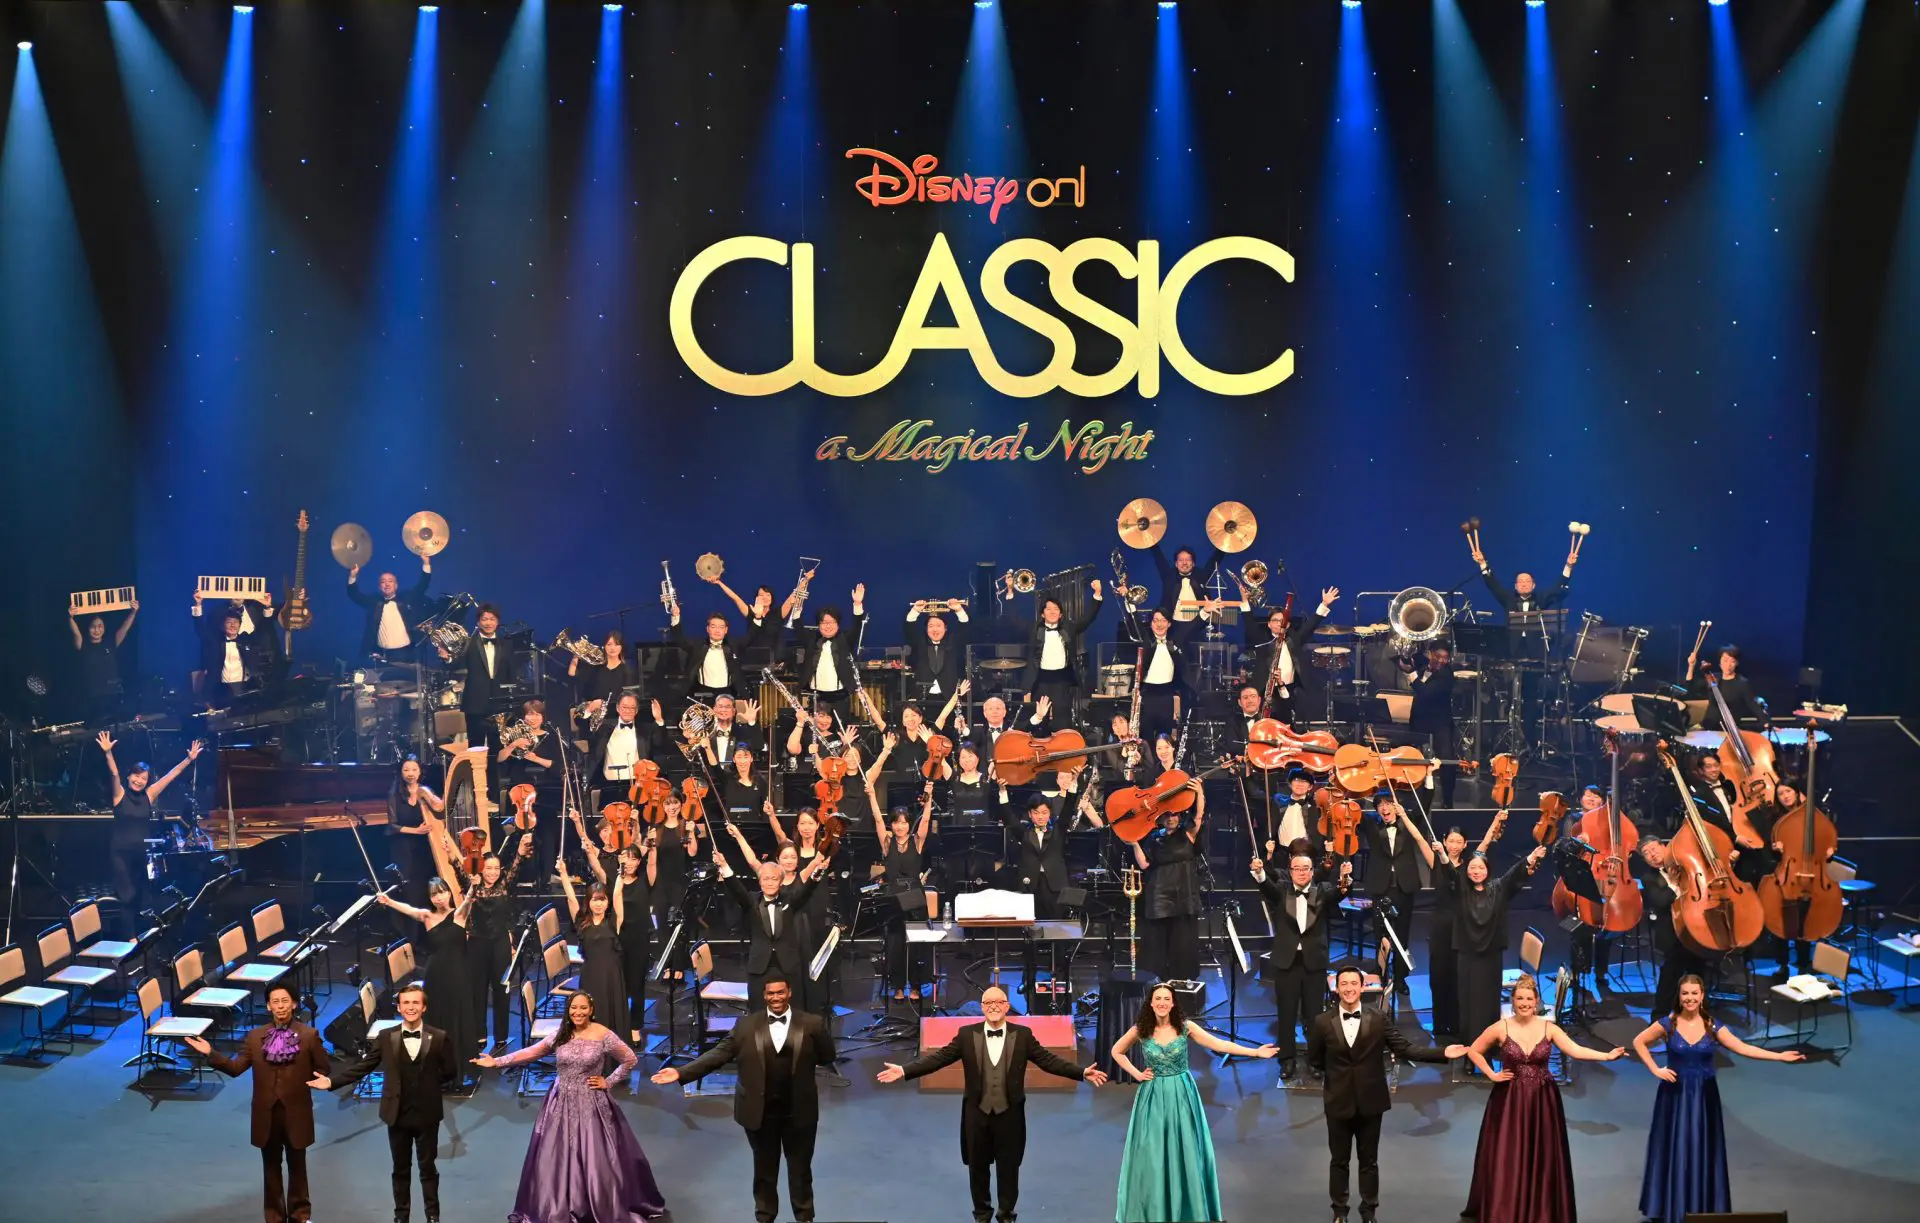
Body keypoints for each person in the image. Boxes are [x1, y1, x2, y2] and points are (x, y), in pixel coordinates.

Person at [876, 984, 1108, 1223]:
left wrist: (1081, 1072)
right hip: (976, 1115)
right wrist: (905, 1070)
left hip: (1010, 1115)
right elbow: (939, 1059)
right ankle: (982, 1215)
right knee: (977, 1170)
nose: (994, 1007)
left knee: (1009, 1170)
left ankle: (1006, 1215)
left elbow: (1048, 1061)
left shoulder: (1023, 1035)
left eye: (999, 1002)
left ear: (1007, 1006)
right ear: (982, 1007)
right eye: (988, 1003)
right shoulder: (966, 1035)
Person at [652, 977, 837, 1223]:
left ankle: (804, 1218)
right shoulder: (746, 1025)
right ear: (764, 995)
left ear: (789, 993)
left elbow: (827, 1055)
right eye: (771, 993)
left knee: (801, 1170)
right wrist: (682, 1072)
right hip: (759, 1111)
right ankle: (765, 1217)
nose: (776, 998)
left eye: (780, 992)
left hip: (799, 1111)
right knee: (764, 1171)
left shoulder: (812, 1023)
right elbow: (719, 1054)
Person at [475, 991, 667, 1223]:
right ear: (568, 1010)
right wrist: (497, 1061)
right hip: (560, 1100)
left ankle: (596, 1203)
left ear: (591, 1010)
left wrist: (609, 1081)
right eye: (574, 1008)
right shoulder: (561, 1034)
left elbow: (629, 1059)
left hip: (591, 1102)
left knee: (595, 1156)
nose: (578, 1012)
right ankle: (560, 1204)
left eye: (583, 1008)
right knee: (556, 1155)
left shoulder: (602, 1034)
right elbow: (532, 1052)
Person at [1632, 974, 1806, 1222]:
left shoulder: (1712, 1026)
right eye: (1685, 993)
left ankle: (1699, 1207)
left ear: (1702, 995)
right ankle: (1674, 1207)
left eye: (1694, 993)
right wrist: (1655, 1069)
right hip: (1675, 1097)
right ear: (1679, 996)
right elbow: (1639, 1041)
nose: (1690, 998)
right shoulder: (1668, 1024)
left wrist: (1779, 1056)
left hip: (1704, 1098)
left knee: (1701, 1149)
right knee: (1676, 1148)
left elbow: (1742, 1048)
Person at [1458, 974, 1627, 1222]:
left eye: (1529, 999)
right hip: (1509, 1100)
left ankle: (1539, 1208)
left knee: (1542, 1154)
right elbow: (1474, 1050)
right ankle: (1507, 1207)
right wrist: (1491, 1075)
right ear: (1513, 1000)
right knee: (1508, 1152)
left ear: (1536, 1001)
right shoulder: (1501, 1027)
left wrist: (1606, 1056)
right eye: (1520, 999)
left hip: (1542, 1100)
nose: (1524, 1003)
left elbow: (1575, 1050)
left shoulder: (1549, 1028)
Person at [1308, 966, 1466, 1223]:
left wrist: (1442, 1053)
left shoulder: (1379, 1018)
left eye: (1354, 983)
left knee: (1369, 1161)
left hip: (1371, 1100)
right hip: (1338, 1101)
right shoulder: (1322, 1022)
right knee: (1339, 1160)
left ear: (1362, 987)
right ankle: (1340, 1212)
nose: (1349, 989)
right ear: (1336, 988)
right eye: (1343, 984)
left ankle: (1369, 1212)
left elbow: (1405, 1049)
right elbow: (1315, 1060)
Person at [1110, 982, 1279, 1223]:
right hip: (1153, 1095)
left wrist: (1255, 1052)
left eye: (1166, 999)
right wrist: (1136, 1074)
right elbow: (1117, 1051)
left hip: (1181, 1093)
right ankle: (1156, 1210)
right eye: (1158, 999)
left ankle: (1187, 1209)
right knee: (1153, 1152)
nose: (1162, 1003)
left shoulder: (1185, 1027)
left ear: (1173, 1003)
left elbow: (1219, 1045)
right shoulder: (1141, 1029)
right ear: (1151, 1003)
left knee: (1185, 1148)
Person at [314, 983, 460, 1223]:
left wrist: (429, 1087)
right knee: (400, 1169)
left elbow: (450, 1071)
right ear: (399, 1007)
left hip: (427, 1114)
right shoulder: (385, 1037)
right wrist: (332, 1082)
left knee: (428, 1168)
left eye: (415, 1003)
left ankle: (433, 1216)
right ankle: (401, 1217)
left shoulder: (439, 1037)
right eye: (406, 1003)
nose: (410, 1007)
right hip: (397, 1113)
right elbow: (364, 1066)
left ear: (424, 1007)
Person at [184, 985, 330, 1223]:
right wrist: (211, 1053)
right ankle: (274, 1218)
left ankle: (301, 1217)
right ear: (269, 1006)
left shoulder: (309, 1035)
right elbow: (235, 1068)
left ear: (294, 1004)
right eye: (275, 1002)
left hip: (296, 1113)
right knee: (270, 1170)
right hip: (266, 1115)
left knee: (298, 1169)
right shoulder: (254, 1037)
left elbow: (323, 1068)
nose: (280, 1006)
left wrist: (317, 1080)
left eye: (285, 1001)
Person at [1251, 848, 1351, 1081]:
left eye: (1306, 868)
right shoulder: (1282, 889)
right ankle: (1287, 1059)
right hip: (1287, 962)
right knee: (1286, 1013)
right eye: (1297, 868)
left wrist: (1345, 877)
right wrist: (1259, 872)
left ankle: (1315, 1060)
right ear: (1290, 871)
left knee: (1314, 1015)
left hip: (1313, 962)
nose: (1301, 872)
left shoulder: (1322, 890)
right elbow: (1266, 886)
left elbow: (1340, 892)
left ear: (1312, 871)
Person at [1437, 844, 1548, 1044]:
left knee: (1488, 1000)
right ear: (1466, 870)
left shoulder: (1498, 888)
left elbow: (1513, 875)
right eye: (1472, 867)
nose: (1476, 871)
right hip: (1467, 955)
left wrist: (1531, 856)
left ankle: (1491, 1041)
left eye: (1481, 867)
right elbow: (1450, 874)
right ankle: (1471, 1043)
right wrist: (1442, 855)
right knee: (1468, 1001)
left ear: (1487, 870)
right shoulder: (1461, 889)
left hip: (1491, 955)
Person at [1411, 814, 1507, 1039]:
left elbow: (1486, 842)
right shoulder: (1436, 861)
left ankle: (1457, 1023)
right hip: (1440, 924)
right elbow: (1418, 838)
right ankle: (1440, 1023)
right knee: (1438, 974)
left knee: (1459, 975)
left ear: (1465, 845)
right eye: (1451, 840)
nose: (1454, 845)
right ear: (1444, 841)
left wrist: (1496, 820)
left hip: (1463, 924)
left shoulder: (1471, 866)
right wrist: (1404, 815)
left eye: (1459, 841)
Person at [96, 731, 201, 936]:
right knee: (127, 896)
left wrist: (189, 759)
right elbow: (114, 774)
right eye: (136, 776)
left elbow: (170, 776)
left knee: (141, 898)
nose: (139, 780)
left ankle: (142, 936)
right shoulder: (119, 795)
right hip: (120, 855)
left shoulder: (149, 795)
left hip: (139, 855)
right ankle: (129, 939)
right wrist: (108, 753)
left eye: (143, 778)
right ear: (129, 776)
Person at [376, 875, 480, 1082]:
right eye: (434, 895)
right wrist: (388, 901)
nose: (439, 898)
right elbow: (408, 909)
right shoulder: (427, 916)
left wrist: (473, 887)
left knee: (457, 1016)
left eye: (442, 892)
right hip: (435, 975)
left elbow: (468, 900)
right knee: (436, 1018)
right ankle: (437, 1068)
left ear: (449, 893)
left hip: (458, 974)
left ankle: (459, 1068)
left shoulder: (459, 914)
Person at [449, 834, 535, 1052]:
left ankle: (501, 1035)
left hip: (499, 944)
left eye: (496, 868)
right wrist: (449, 851)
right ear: (481, 868)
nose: (493, 872)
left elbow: (516, 865)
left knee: (501, 989)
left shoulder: (504, 884)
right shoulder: (472, 884)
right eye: (488, 868)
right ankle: (479, 1033)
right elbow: (458, 868)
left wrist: (521, 848)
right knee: (477, 990)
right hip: (477, 944)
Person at [714, 851, 823, 1005]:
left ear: (781, 882)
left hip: (788, 965)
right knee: (758, 1009)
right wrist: (724, 865)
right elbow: (736, 889)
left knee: (793, 1007)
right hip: (760, 965)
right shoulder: (752, 901)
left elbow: (807, 891)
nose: (770, 883)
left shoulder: (789, 900)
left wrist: (819, 870)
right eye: (766, 879)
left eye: (774, 879)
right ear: (760, 882)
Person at [1132, 780, 1206, 982]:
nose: (1171, 818)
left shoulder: (1187, 833)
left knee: (1183, 943)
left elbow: (1198, 816)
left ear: (1179, 816)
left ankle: (1182, 981)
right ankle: (1155, 982)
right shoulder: (1154, 838)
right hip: (1159, 896)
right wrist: (1134, 843)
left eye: (1174, 814)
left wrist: (1199, 792)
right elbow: (1144, 864)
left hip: (1184, 895)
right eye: (1167, 815)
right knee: (1156, 944)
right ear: (1161, 818)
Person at [1634, 837, 1710, 1017]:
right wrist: (1674, 884)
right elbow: (1661, 901)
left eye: (1654, 849)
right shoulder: (1648, 878)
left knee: (1698, 969)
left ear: (1665, 846)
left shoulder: (1686, 864)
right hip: (1672, 930)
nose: (1652, 855)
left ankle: (1698, 1012)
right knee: (1671, 973)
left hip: (1698, 925)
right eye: (1646, 854)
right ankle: (1659, 1016)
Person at [1008, 576, 1104, 714]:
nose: (1052, 612)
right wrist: (1010, 590)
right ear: (1042, 614)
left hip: (1062, 679)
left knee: (1062, 715)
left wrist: (1097, 594)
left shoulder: (1069, 627)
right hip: (1040, 678)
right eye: (1048, 609)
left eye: (1056, 609)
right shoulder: (1034, 628)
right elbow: (1015, 619)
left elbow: (1088, 618)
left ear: (1060, 614)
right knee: (1040, 716)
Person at [1240, 589, 1336, 724]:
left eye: (1282, 620)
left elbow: (1310, 626)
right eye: (1275, 620)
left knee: (1287, 723)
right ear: (1269, 624)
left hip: (1288, 690)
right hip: (1265, 690)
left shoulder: (1294, 639)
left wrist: (1324, 604)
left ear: (1288, 624)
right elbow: (1250, 625)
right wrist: (1245, 601)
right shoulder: (1262, 640)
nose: (1279, 623)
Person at [559, 855, 629, 1038]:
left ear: (607, 902)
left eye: (602, 900)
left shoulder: (614, 921)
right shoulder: (582, 923)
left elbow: (617, 894)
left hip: (612, 977)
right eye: (595, 900)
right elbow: (571, 898)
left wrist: (621, 874)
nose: (599, 904)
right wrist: (564, 874)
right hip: (590, 976)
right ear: (588, 902)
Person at [875, 785, 934, 1000]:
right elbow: (877, 819)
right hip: (893, 897)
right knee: (895, 944)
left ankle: (916, 986)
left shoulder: (916, 841)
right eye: (895, 822)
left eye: (903, 822)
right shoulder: (887, 843)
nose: (899, 826)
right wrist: (871, 795)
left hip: (915, 896)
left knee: (917, 943)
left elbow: (925, 821)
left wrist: (929, 798)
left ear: (909, 824)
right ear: (891, 824)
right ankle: (898, 986)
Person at [1360, 794, 1422, 993]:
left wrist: (1429, 780)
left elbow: (1424, 804)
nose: (1384, 808)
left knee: (1402, 934)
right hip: (1381, 887)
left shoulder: (1408, 822)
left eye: (1388, 804)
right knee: (1381, 934)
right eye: (1380, 805)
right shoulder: (1372, 826)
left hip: (1404, 886)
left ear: (1397, 806)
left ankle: (1400, 978)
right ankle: (1381, 973)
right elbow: (1355, 811)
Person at [441, 603, 518, 750]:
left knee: (499, 747)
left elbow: (511, 673)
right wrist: (446, 658)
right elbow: (455, 667)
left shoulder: (507, 644)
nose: (488, 623)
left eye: (492, 619)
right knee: (475, 747)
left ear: (498, 621)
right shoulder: (467, 643)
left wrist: (512, 700)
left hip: (500, 703)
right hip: (475, 703)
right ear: (478, 622)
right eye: (484, 619)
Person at [1398, 641, 1460, 807]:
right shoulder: (1423, 663)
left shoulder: (1446, 675)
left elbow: (1425, 693)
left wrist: (1411, 673)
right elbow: (1408, 659)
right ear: (1430, 653)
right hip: (1420, 719)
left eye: (1445, 658)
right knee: (1408, 753)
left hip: (1440, 722)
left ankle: (1448, 801)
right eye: (1438, 656)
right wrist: (1404, 659)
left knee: (1446, 760)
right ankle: (1408, 795)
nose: (1441, 661)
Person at [795, 585, 868, 720]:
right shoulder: (812, 640)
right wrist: (798, 605)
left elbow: (857, 627)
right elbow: (797, 627)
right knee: (817, 729)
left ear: (838, 624)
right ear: (818, 625)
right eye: (824, 623)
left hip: (840, 695)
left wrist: (857, 604)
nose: (828, 626)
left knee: (840, 728)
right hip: (816, 696)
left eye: (832, 622)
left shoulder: (845, 639)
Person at [386, 756, 444, 911]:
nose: (410, 773)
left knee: (426, 881)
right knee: (409, 887)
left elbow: (440, 810)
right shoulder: (394, 794)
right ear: (401, 772)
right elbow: (392, 826)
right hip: (403, 845)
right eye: (406, 770)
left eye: (414, 769)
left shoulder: (427, 792)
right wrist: (416, 831)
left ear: (420, 772)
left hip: (425, 844)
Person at [345, 558, 431, 660]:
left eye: (390, 581)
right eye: (383, 582)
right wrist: (353, 575)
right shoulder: (374, 602)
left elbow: (422, 586)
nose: (387, 584)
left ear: (396, 585)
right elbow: (354, 595)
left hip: (405, 653)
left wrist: (426, 563)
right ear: (379, 587)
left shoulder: (406, 598)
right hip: (381, 653)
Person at [69, 599, 137, 722]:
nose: (97, 630)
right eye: (93, 627)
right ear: (88, 628)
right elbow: (76, 634)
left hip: (112, 696)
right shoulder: (83, 645)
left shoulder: (110, 643)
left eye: (100, 626)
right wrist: (70, 618)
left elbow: (124, 629)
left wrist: (133, 612)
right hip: (92, 699)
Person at [1686, 642, 1768, 731]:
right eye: (1725, 660)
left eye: (1732, 661)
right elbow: (1690, 687)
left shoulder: (1742, 683)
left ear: (1737, 663)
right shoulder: (1713, 678)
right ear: (1720, 662)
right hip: (1708, 727)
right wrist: (1691, 666)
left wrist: (1766, 723)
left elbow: (1753, 705)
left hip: (1729, 729)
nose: (1728, 665)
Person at [904, 598, 971, 701]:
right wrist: (915, 610)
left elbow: (964, 629)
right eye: (930, 626)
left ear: (945, 628)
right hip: (922, 697)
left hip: (950, 696)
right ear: (926, 629)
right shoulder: (921, 643)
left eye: (938, 625)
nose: (934, 629)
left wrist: (959, 610)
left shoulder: (953, 642)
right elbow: (910, 630)